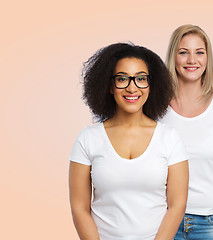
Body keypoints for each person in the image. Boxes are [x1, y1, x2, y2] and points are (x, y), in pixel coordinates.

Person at [69, 43, 189, 240]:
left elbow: (177, 205)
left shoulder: (170, 138)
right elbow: (79, 208)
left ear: (151, 85)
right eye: (122, 79)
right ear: (109, 85)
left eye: (141, 79)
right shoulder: (88, 138)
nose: (132, 87)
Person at [161, 25, 213, 240]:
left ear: (207, 58)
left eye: (199, 52)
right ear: (173, 57)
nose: (192, 60)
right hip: (165, 219)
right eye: (183, 52)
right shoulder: (156, 106)